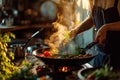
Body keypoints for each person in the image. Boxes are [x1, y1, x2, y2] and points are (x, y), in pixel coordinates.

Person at [70, 0, 120, 69]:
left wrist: (106, 27)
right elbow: (91, 19)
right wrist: (74, 32)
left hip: (117, 56)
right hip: (100, 55)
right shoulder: (93, 1)